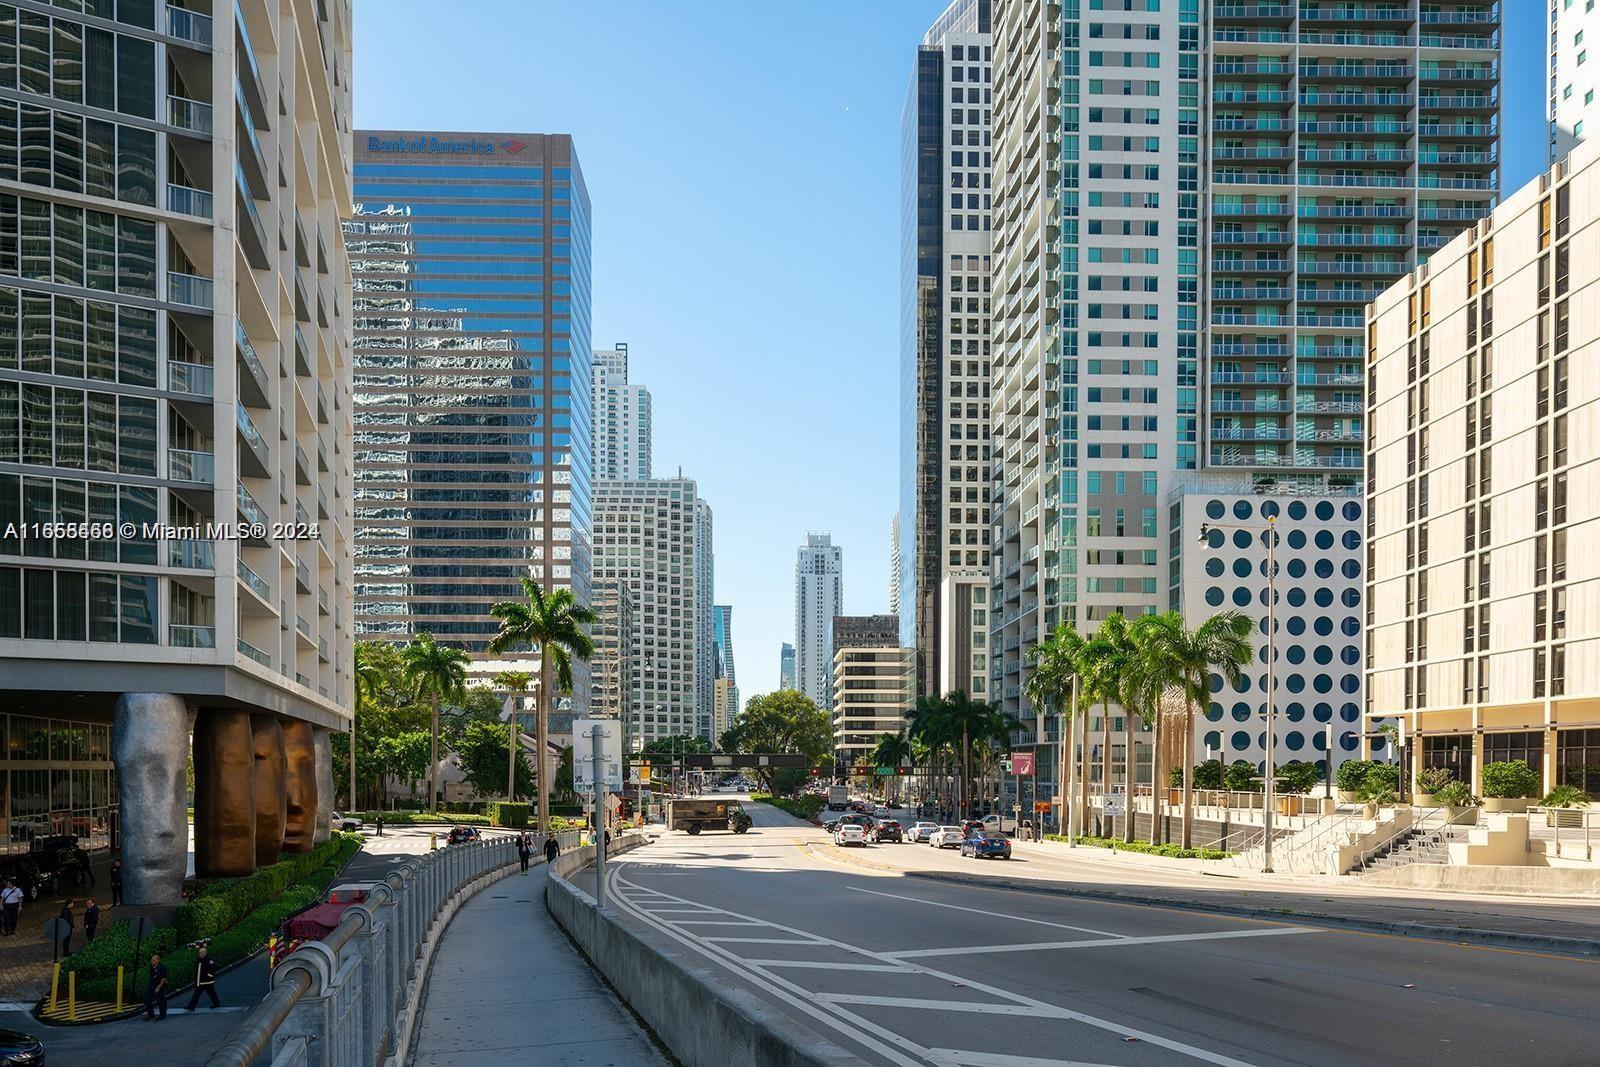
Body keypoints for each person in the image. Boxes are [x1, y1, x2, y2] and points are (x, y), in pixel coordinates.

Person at [186, 944, 220, 1010]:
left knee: (211, 993)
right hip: (200, 981)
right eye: (199, 953)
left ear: (205, 953)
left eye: (201, 953)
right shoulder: (199, 960)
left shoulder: (209, 960)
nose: (199, 954)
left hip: (207, 981)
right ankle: (191, 1006)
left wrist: (209, 976)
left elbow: (212, 969)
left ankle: (216, 1003)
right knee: (197, 994)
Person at [144, 953, 168, 1021]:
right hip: (151, 986)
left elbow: (163, 979)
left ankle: (162, 1015)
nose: (151, 961)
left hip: (159, 987)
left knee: (161, 1001)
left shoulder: (162, 967)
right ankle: (151, 1014)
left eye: (153, 960)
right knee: (147, 1000)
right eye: (151, 960)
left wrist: (158, 987)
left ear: (158, 960)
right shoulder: (151, 967)